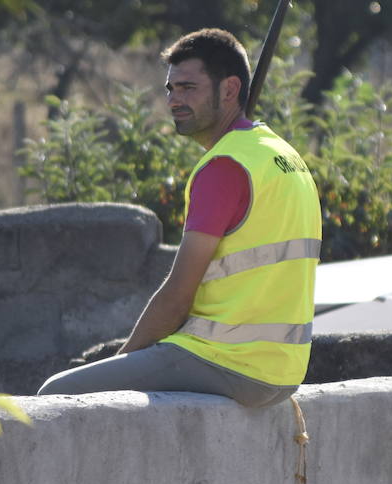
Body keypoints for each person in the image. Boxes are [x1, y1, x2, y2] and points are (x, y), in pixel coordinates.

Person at [38, 28, 322, 408]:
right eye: (170, 89)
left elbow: (177, 296)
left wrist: (127, 360)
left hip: (225, 360)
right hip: (283, 372)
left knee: (52, 397)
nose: (174, 100)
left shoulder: (225, 165)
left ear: (229, 89)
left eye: (189, 88)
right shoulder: (283, 155)